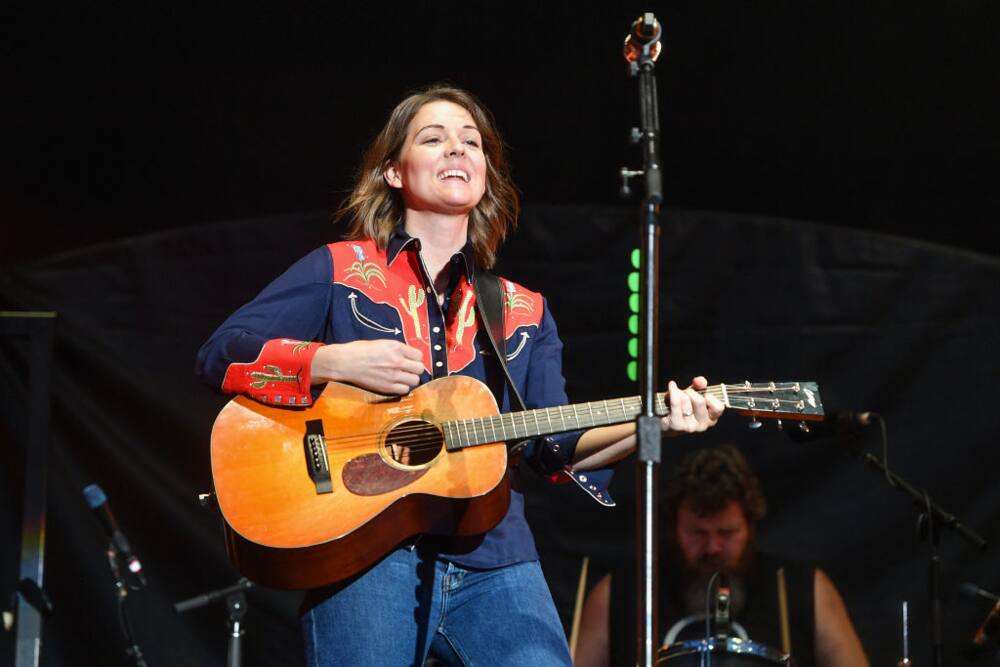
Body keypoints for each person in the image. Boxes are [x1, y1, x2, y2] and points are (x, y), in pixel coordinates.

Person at [195, 84, 725, 666]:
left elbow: (556, 448)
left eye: (471, 142)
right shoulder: (341, 269)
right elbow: (222, 354)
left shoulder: (522, 310)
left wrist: (657, 426)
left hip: (495, 558)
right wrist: (329, 361)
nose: (457, 150)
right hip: (363, 551)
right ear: (394, 172)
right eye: (434, 138)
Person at [574, 445, 869, 667]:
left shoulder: (802, 588)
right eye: (698, 533)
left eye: (727, 533)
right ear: (674, 527)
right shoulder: (621, 594)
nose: (713, 548)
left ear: (751, 525)